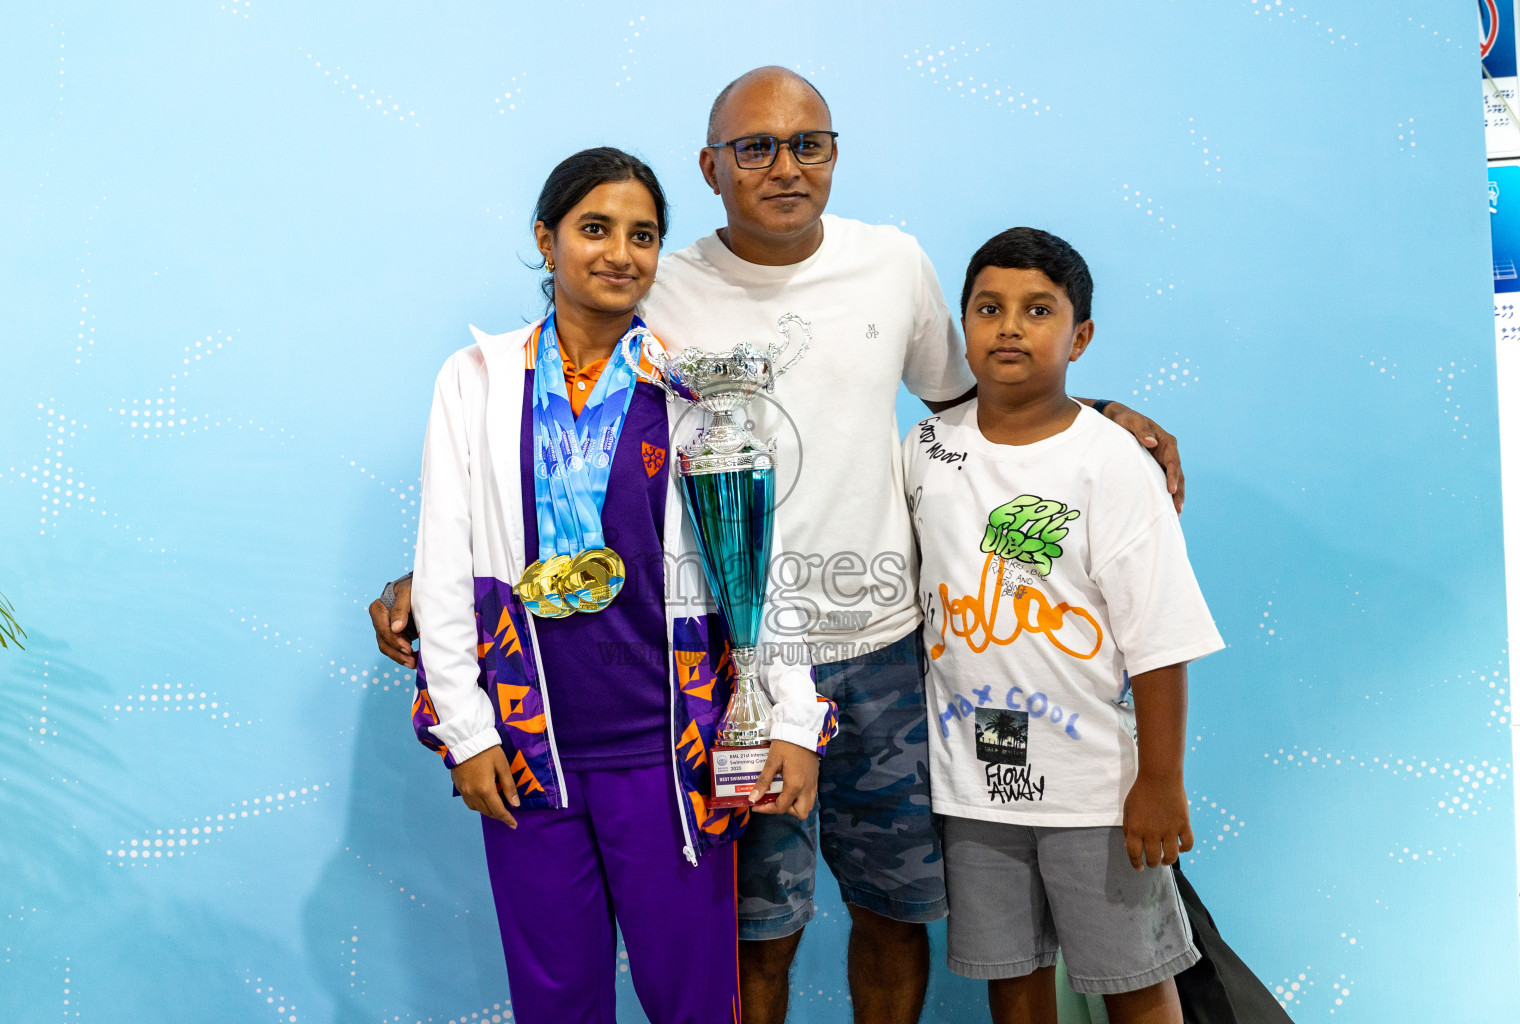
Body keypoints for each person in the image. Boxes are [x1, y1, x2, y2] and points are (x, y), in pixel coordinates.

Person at [373, 67, 1183, 1024]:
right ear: (710, 167)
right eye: (755, 147)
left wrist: (1094, 415)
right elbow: (561, 436)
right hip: (730, 664)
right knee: (752, 926)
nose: (786, 166)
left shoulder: (893, 264)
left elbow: (976, 401)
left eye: (809, 144)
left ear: (835, 153)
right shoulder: (658, 290)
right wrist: (441, 576)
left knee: (893, 910)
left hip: (882, 647)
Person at [410, 145, 837, 1024]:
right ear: (547, 239)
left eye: (643, 236)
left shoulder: (692, 389)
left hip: (668, 750)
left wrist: (794, 716)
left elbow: (760, 566)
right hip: (530, 751)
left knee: (693, 999)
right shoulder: (477, 382)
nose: (621, 253)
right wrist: (467, 731)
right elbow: (445, 564)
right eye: (595, 228)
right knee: (556, 1000)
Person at [903, 227, 1226, 1024]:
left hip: (1094, 793)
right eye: (989, 308)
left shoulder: (1111, 461)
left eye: (1038, 310)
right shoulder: (924, 449)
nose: (1010, 327)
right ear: (963, 328)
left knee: (1135, 981)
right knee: (1011, 980)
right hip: (973, 788)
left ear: (1079, 337)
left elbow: (1160, 638)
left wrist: (1160, 780)